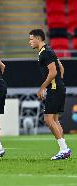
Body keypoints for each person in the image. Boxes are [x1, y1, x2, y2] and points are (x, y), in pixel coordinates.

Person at [29, 29, 71, 160]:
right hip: (58, 87)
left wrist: (43, 87)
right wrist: (59, 83)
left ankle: (64, 149)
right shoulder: (48, 51)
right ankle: (64, 149)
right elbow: (61, 67)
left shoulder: (45, 53)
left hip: (54, 89)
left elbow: (53, 72)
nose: (29, 42)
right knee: (55, 120)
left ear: (38, 38)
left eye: (31, 39)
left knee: (48, 119)